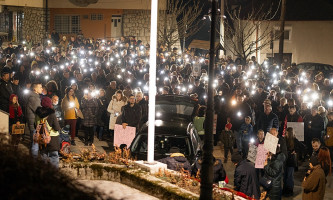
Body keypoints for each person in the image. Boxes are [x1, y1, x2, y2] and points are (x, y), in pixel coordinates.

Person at [35, 97, 61, 168]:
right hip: (52, 138)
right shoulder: (52, 114)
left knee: (44, 155)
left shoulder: (37, 114)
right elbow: (56, 128)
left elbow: (35, 125)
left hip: (41, 138)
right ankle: (54, 174)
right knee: (54, 156)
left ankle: (45, 174)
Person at [283, 127, 305, 197]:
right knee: (285, 176)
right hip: (285, 160)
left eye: (286, 133)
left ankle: (289, 190)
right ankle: (285, 189)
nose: (286, 134)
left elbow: (303, 147)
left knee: (289, 176)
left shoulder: (294, 140)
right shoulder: (284, 139)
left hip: (291, 161)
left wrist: (296, 151)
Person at [26, 82, 42, 157]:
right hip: (34, 123)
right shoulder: (33, 98)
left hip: (34, 122)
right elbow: (39, 111)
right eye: (40, 87)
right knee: (35, 143)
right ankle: (34, 161)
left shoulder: (36, 97)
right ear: (35, 89)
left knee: (34, 142)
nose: (42, 89)